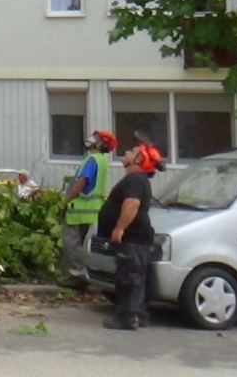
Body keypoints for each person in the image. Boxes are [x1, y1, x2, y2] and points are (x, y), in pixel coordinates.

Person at [96, 130, 164, 330]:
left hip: (131, 236)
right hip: (136, 237)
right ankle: (139, 314)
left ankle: (126, 317)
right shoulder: (137, 180)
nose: (126, 151)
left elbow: (132, 205)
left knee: (129, 277)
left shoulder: (135, 180)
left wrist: (119, 228)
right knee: (136, 276)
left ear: (139, 159)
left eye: (133, 150)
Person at [57, 130, 116, 288]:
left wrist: (64, 202)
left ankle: (76, 276)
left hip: (79, 212)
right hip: (93, 212)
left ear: (100, 144)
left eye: (95, 138)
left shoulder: (91, 159)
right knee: (85, 245)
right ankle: (86, 274)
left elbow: (81, 183)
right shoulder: (102, 161)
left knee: (72, 244)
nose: (91, 139)